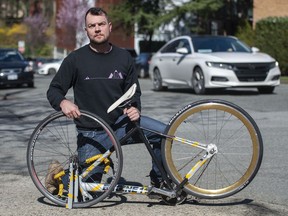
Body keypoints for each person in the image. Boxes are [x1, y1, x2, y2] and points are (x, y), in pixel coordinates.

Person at [45, 7, 166, 194]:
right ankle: (57, 174)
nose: (97, 29)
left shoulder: (124, 57)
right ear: (86, 30)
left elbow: (133, 92)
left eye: (101, 24)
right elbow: (54, 90)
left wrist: (134, 108)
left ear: (109, 26)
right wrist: (63, 102)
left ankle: (160, 183)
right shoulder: (75, 59)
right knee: (86, 192)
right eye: (92, 26)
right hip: (92, 133)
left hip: (121, 125)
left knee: (163, 133)